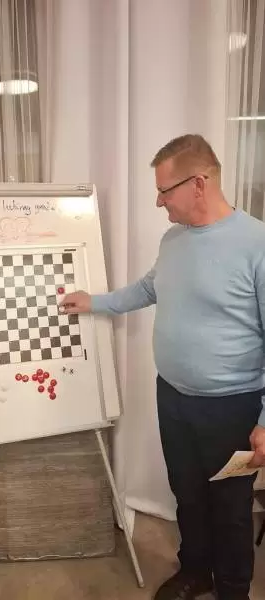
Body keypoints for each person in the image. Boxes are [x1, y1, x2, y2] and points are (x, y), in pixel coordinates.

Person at [60, 134, 265, 600]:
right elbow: (150, 288)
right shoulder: (174, 239)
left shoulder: (257, 245)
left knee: (230, 507)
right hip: (172, 395)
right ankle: (195, 572)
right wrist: (96, 302)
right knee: (186, 492)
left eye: (164, 190)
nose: (158, 201)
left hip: (231, 407)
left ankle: (233, 589)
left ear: (199, 184)